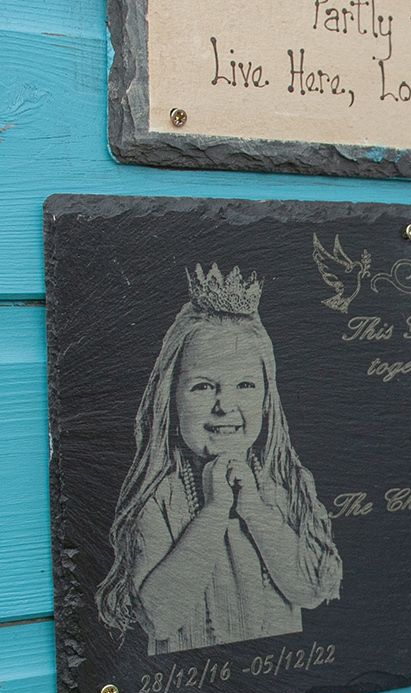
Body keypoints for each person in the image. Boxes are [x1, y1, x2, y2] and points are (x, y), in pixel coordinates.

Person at [96, 263, 341, 654]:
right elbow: (159, 618)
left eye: (244, 385)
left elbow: (311, 590)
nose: (224, 406)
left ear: (266, 401)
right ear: (170, 401)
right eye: (203, 386)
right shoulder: (162, 498)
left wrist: (254, 509)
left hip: (273, 676)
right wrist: (213, 512)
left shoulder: (282, 486)